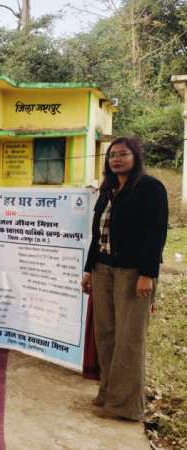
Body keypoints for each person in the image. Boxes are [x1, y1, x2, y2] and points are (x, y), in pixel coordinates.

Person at [81, 137, 168, 422]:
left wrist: (147, 274)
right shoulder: (108, 190)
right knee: (105, 334)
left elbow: (156, 233)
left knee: (129, 338)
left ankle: (126, 406)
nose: (116, 159)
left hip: (132, 272)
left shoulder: (150, 188)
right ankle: (108, 393)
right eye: (112, 155)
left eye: (123, 154)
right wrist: (88, 269)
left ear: (136, 156)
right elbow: (97, 233)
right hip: (103, 269)